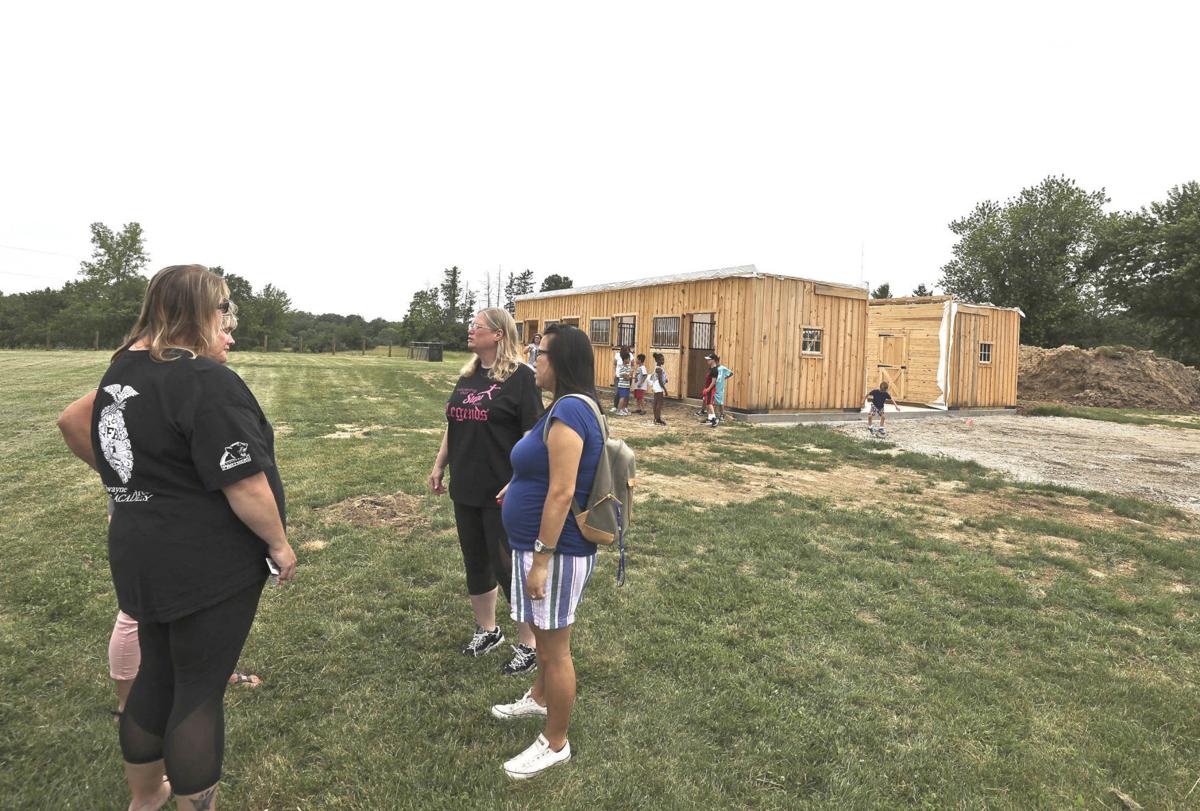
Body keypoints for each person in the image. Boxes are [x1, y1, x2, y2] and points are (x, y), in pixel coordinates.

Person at [56, 264, 296, 811]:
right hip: (205, 559)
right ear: (198, 311)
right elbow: (244, 482)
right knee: (199, 691)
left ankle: (145, 798)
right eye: (222, 308)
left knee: (156, 674)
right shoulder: (206, 380)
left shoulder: (122, 371)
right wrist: (280, 545)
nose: (226, 318)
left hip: (141, 548)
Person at [491, 324, 603, 779]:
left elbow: (562, 492)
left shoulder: (571, 411)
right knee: (541, 633)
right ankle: (538, 698)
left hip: (556, 552)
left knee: (555, 650)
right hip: (540, 546)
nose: (534, 360)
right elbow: (544, 471)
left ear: (560, 361)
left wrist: (541, 559)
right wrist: (516, 484)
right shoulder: (560, 408)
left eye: (540, 353)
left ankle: (555, 742)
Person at [430, 307, 542, 675]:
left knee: (508, 564)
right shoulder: (470, 374)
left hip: (503, 488)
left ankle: (529, 644)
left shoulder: (522, 378)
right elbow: (454, 423)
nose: (469, 330)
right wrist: (439, 464)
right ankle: (488, 630)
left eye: (476, 326)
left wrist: (520, 478)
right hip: (466, 484)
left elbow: (532, 433)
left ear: (498, 334)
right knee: (475, 559)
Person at [705, 353, 734, 426]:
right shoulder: (713, 368)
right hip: (714, 386)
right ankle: (709, 416)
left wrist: (725, 378)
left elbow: (731, 373)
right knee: (709, 401)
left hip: (719, 386)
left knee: (720, 402)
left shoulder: (722, 368)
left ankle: (721, 415)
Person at [610, 350, 632, 416]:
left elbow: (629, 376)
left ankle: (622, 409)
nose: (629, 360)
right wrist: (630, 375)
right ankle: (618, 410)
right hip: (622, 386)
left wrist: (630, 375)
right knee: (622, 397)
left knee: (625, 397)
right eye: (628, 359)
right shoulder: (622, 367)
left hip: (626, 385)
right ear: (625, 359)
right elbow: (626, 377)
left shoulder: (627, 367)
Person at [651, 352, 668, 425]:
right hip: (659, 386)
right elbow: (660, 381)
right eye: (661, 360)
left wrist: (665, 380)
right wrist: (665, 390)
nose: (663, 361)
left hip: (656, 385)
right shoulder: (659, 369)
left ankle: (655, 418)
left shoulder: (658, 368)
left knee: (656, 402)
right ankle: (658, 419)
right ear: (657, 360)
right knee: (659, 403)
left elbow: (660, 378)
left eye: (663, 359)